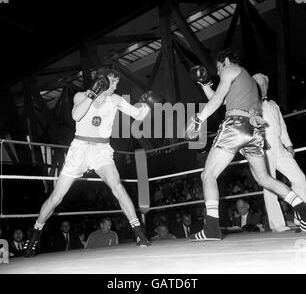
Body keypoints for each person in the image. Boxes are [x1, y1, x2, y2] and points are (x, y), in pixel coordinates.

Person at [23, 67, 162, 257]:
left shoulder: (115, 100)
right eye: (113, 81)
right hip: (79, 149)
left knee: (117, 187)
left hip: (101, 151)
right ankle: (34, 237)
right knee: (56, 197)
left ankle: (139, 233)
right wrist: (92, 94)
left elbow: (137, 115)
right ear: (103, 80)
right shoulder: (81, 96)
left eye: (116, 82)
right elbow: (76, 116)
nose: (116, 85)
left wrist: (147, 105)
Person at [186, 48, 306, 241]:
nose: (217, 72)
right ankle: (303, 209)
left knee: (208, 174)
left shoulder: (230, 69)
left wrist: (198, 119)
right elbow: (222, 99)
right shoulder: (246, 78)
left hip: (236, 124)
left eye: (218, 67)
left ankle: (212, 228)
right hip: (253, 129)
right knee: (264, 179)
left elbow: (217, 101)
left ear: (225, 60)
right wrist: (205, 84)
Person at [252, 73, 306, 231]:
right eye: (258, 84)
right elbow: (250, 127)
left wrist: (288, 144)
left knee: (300, 179)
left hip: (280, 149)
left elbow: (282, 126)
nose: (261, 87)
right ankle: (278, 225)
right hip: (264, 150)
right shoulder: (251, 103)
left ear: (267, 86)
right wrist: (260, 141)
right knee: (270, 187)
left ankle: (300, 217)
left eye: (263, 84)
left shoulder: (274, 104)